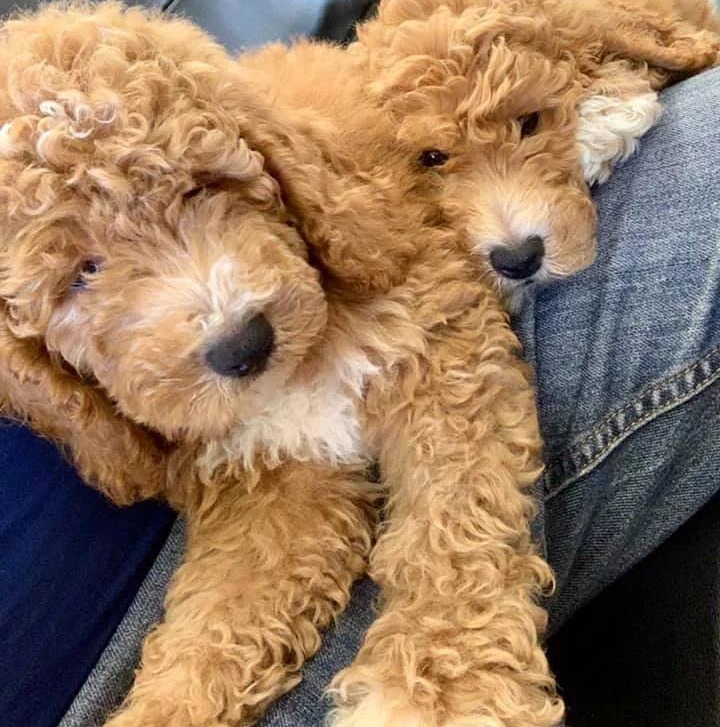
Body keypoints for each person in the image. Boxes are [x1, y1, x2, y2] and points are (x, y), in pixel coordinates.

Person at [31, 66, 713, 727]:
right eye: (84, 275)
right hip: (150, 603)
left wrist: (458, 636)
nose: (217, 301)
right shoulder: (160, 414)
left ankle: (451, 673)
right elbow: (272, 521)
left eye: (201, 190)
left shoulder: (340, 230)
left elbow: (449, 390)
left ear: (278, 166)